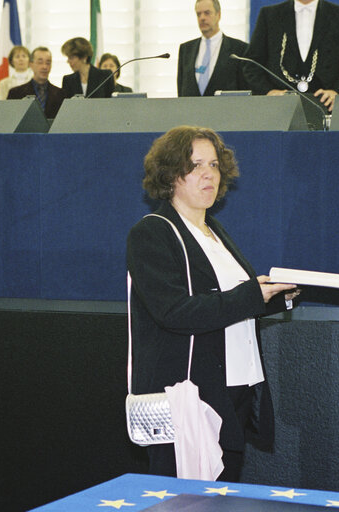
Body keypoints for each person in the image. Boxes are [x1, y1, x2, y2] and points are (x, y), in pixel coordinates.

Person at [126, 126, 298, 481]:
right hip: (189, 396)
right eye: (196, 165)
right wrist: (252, 295)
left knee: (222, 496)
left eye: (215, 165)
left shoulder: (214, 231)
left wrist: (274, 299)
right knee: (186, 502)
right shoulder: (153, 232)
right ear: (171, 174)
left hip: (234, 389)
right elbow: (174, 312)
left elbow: (227, 302)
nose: (209, 173)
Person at [243, 0, 339, 112]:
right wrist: (268, 91)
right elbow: (252, 63)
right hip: (278, 109)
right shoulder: (269, 14)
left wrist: (337, 92)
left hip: (327, 107)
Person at [177, 0, 248, 97]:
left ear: (218, 15)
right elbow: (181, 91)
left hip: (225, 110)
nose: (202, 18)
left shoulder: (239, 49)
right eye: (198, 14)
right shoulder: (185, 50)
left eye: (207, 13)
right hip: (191, 111)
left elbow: (243, 91)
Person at [7, 46, 64, 119]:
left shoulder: (61, 94)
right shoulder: (15, 93)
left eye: (48, 63)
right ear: (31, 64)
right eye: (40, 62)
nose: (44, 67)